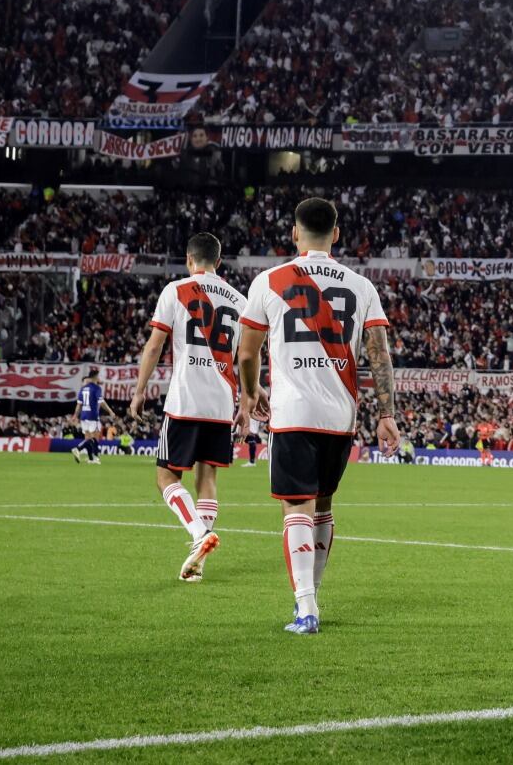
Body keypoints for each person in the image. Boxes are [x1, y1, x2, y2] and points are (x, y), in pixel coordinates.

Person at [235, 197, 400, 635]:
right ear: (337, 234)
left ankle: (306, 607)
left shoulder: (268, 281)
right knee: (323, 505)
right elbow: (379, 355)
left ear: (294, 232)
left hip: (293, 411)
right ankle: (312, 594)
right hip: (341, 413)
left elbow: (247, 352)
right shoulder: (362, 286)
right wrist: (387, 414)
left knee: (296, 507)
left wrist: (250, 395)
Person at [129, 233, 249, 582]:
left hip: (185, 400)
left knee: (165, 476)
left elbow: (154, 346)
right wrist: (246, 401)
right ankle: (197, 563)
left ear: (188, 259)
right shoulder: (240, 301)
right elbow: (246, 356)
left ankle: (199, 534)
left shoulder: (176, 290)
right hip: (222, 403)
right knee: (207, 478)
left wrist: (139, 390)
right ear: (219, 261)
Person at [70, 367, 119, 464]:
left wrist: (75, 415)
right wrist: (110, 411)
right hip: (92, 415)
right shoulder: (96, 388)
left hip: (83, 416)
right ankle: (78, 449)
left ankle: (92, 459)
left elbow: (79, 404)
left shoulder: (83, 389)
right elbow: (101, 402)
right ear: (95, 377)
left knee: (88, 438)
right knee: (94, 438)